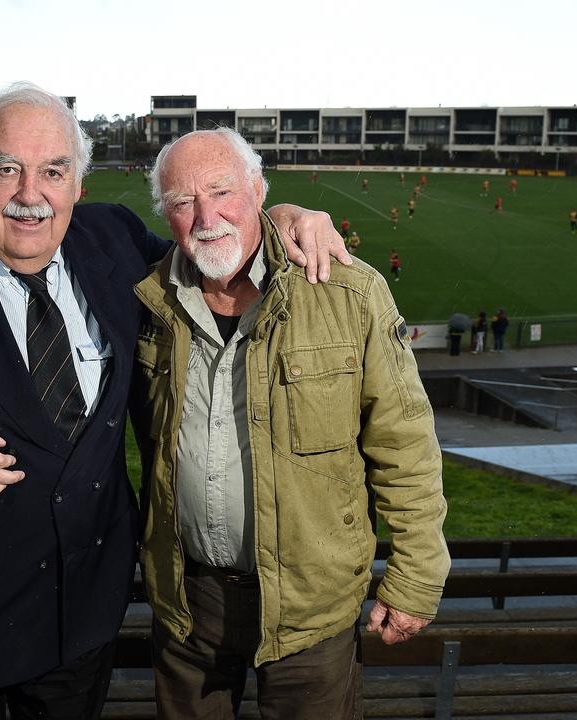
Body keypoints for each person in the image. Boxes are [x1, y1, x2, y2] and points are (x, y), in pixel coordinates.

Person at [0, 82, 353, 720]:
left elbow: (214, 256)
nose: (30, 194)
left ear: (79, 186)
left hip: (81, 615)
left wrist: (281, 216)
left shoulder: (113, 241)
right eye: (6, 168)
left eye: (53, 171)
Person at [133, 127, 449, 720]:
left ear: (257, 190)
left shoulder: (348, 294)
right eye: (181, 201)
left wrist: (415, 577)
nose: (206, 216)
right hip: (188, 603)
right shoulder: (148, 301)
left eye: (222, 191)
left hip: (312, 610)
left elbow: (404, 444)